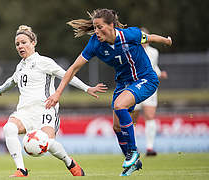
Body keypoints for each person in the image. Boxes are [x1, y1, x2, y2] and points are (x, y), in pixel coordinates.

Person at [45, 8, 172, 176]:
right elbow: (73, 69)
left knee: (120, 105)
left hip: (146, 79)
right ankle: (133, 162)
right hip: (123, 83)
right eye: (94, 27)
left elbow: (150, 38)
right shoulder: (95, 43)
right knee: (117, 126)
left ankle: (133, 152)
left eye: (100, 27)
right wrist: (57, 93)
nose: (96, 31)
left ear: (111, 25)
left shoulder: (129, 35)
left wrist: (167, 41)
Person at [0, 25, 107, 177]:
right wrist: (0, 89)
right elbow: (12, 81)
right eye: (17, 44)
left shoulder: (44, 62)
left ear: (33, 42)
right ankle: (21, 169)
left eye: (24, 42)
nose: (20, 46)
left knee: (48, 143)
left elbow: (67, 75)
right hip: (25, 112)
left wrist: (87, 88)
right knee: (9, 128)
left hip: (45, 110)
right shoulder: (20, 67)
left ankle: (70, 163)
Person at [131, 27, 168, 157]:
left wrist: (159, 73)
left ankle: (150, 147)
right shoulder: (132, 50)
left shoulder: (154, 52)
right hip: (134, 87)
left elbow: (153, 67)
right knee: (132, 119)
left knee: (150, 116)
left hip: (149, 87)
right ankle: (131, 148)